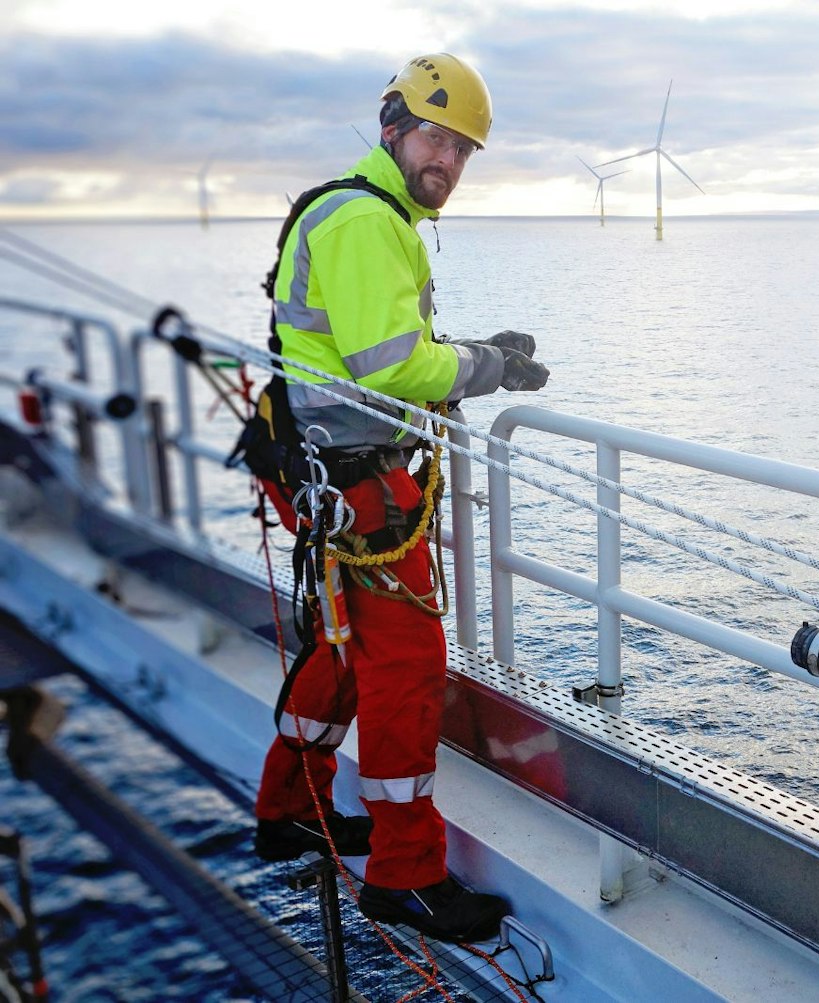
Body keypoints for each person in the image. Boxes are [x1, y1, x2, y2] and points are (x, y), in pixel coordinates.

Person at [250, 52, 548, 945]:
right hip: (354, 484)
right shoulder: (365, 221)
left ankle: (290, 809)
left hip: (329, 470)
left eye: (462, 149)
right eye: (434, 136)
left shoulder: (367, 217)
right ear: (392, 127)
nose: (447, 161)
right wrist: (486, 365)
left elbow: (375, 347)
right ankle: (405, 875)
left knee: (343, 648)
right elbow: (392, 365)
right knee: (407, 663)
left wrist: (461, 349)